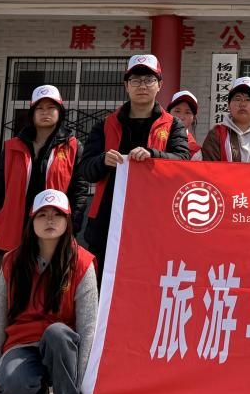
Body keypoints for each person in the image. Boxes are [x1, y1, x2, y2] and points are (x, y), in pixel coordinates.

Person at [0, 189, 97, 394]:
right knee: (12, 384)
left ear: (67, 221)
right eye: (42, 214)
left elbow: (88, 327)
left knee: (57, 332)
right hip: (22, 344)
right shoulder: (12, 262)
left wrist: (82, 382)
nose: (49, 220)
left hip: (62, 348)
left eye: (57, 214)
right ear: (32, 221)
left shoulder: (82, 263)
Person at [75, 55, 190, 277]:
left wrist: (153, 155)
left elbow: (183, 162)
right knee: (104, 281)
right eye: (135, 80)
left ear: (160, 85)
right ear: (126, 86)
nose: (142, 86)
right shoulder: (105, 125)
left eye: (149, 79)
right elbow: (85, 170)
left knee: (149, 281)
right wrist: (102, 160)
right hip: (108, 220)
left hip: (155, 220)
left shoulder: (173, 125)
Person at [0, 84, 87, 272]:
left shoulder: (73, 147)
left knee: (49, 287)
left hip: (52, 230)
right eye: (40, 108)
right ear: (32, 113)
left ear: (60, 111)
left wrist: (72, 230)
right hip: (13, 230)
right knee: (9, 286)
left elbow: (79, 193)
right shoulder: (12, 147)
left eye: (51, 107)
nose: (45, 112)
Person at [200, 76, 250, 163]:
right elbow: (209, 168)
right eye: (237, 99)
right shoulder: (216, 135)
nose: (242, 104)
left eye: (248, 99)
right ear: (228, 105)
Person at [167, 89, 201, 158]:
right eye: (177, 111)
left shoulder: (196, 152)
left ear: (193, 118)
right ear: (168, 113)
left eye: (187, 112)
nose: (181, 117)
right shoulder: (156, 136)